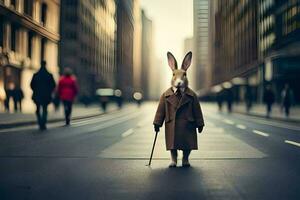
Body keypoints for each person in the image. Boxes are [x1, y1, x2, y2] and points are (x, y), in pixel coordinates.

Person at [154, 52, 204, 168]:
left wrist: (200, 123)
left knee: (188, 144)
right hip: (173, 123)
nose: (179, 80)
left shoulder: (192, 95)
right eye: (175, 76)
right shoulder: (166, 95)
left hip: (188, 123)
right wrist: (157, 123)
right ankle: (174, 160)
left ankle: (185, 159)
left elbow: (197, 110)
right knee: (173, 144)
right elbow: (161, 110)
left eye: (183, 75)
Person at [30, 61, 56, 130]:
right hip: (46, 95)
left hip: (37, 94)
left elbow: (31, 85)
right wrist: (49, 91)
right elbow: (53, 85)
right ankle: (43, 123)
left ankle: (40, 122)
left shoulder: (36, 75)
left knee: (38, 109)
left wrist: (35, 90)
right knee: (45, 109)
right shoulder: (49, 75)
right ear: (45, 65)